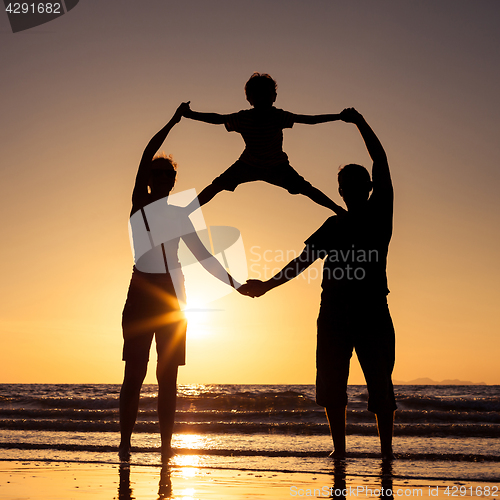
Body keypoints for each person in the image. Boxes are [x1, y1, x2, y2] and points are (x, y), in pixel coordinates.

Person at [240, 108, 397, 460]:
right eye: (345, 186)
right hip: (334, 314)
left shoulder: (379, 212)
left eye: (357, 185)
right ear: (340, 191)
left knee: (380, 383)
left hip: (372, 310)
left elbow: (380, 159)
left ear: (368, 188)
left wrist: (360, 122)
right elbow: (302, 262)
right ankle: (339, 451)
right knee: (330, 384)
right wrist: (266, 285)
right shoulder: (332, 226)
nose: (349, 190)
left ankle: (386, 452)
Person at [120, 103, 242, 461]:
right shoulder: (139, 205)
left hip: (174, 295)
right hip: (141, 290)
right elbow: (145, 155)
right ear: (149, 180)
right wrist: (173, 121)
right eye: (155, 175)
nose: (161, 180)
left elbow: (203, 255)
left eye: (166, 176)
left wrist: (236, 284)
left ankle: (166, 448)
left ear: (173, 182)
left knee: (167, 376)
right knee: (135, 373)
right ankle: (125, 445)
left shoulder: (180, 216)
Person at [182, 73, 345, 214]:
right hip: (248, 164)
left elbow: (309, 120)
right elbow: (218, 119)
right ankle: (186, 212)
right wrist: (190, 114)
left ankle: (338, 210)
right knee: (217, 185)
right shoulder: (242, 118)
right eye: (258, 95)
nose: (263, 98)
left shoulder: (278, 116)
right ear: (250, 99)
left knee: (306, 188)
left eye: (267, 94)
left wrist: (338, 116)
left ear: (274, 97)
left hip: (277, 166)